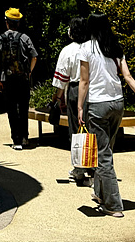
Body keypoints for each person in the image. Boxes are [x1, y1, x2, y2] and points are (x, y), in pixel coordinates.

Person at [76, 12, 135, 218]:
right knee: (107, 149)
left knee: (103, 155)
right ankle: (100, 193)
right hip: (117, 103)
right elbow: (127, 76)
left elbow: (84, 81)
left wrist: (80, 107)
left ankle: (113, 205)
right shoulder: (115, 47)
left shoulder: (86, 48)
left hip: (98, 105)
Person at [0, 7, 37, 151]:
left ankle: (16, 140)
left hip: (7, 79)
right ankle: (24, 138)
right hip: (23, 78)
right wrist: (29, 71)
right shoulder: (25, 38)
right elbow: (34, 57)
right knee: (23, 108)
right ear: (18, 23)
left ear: (7, 22)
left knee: (11, 109)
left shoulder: (0, 39)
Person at [51, 17, 91, 183]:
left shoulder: (67, 51)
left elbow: (61, 79)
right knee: (92, 129)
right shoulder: (93, 48)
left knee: (76, 130)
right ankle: (94, 168)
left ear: (72, 32)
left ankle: (79, 169)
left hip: (75, 90)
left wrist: (57, 98)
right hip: (94, 91)